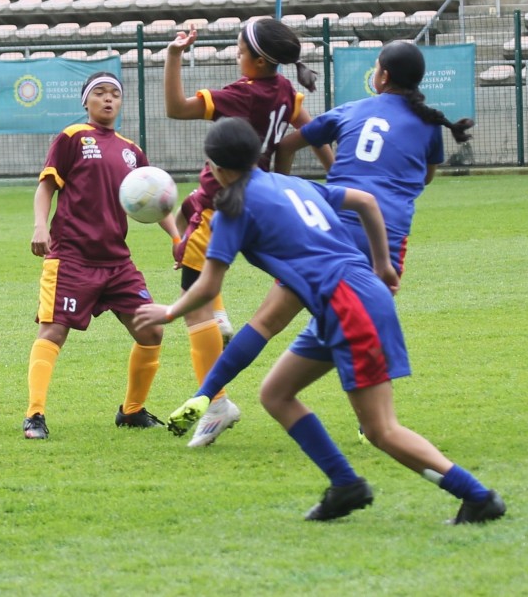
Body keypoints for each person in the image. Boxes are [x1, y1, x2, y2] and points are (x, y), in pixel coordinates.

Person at [135, 118, 506, 525]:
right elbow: (365, 202)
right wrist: (382, 264)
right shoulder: (289, 183)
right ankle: (345, 485)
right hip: (351, 296)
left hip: (348, 307)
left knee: (381, 430)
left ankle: (477, 496)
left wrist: (168, 312)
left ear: (216, 169)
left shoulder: (231, 210)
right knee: (276, 393)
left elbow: (207, 288)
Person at [277, 40, 474, 441]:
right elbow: (427, 176)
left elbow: (289, 143)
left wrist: (287, 183)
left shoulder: (353, 109)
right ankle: (375, 422)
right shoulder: (427, 123)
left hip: (332, 228)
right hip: (390, 233)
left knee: (275, 318)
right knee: (362, 322)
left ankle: (213, 392)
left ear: (381, 76)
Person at [162, 17, 331, 448]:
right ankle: (218, 316)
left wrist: (173, 56)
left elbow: (176, 108)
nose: (236, 59)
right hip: (260, 196)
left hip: (223, 202)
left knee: (192, 300)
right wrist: (334, 170)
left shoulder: (243, 94)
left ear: (258, 60)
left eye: (239, 52)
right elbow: (312, 134)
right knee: (181, 219)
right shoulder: (286, 92)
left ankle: (216, 403)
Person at [23, 71, 179, 440]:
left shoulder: (132, 151)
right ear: (86, 101)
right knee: (54, 331)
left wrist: (177, 237)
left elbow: (157, 200)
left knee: (151, 330)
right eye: (100, 93)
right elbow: (46, 187)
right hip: (72, 258)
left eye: (115, 94)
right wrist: (40, 226)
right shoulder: (72, 137)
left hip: (117, 262)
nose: (108, 99)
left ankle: (132, 411)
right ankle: (35, 415)